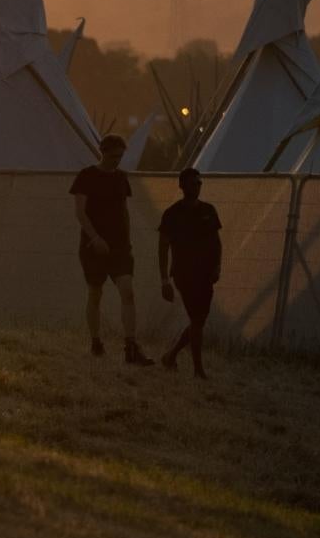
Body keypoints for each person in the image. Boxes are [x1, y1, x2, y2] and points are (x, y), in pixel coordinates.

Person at [70, 132, 148, 365]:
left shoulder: (121, 178)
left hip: (120, 247)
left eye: (120, 156)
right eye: (114, 156)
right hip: (94, 246)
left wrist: (126, 240)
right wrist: (95, 238)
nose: (117, 160)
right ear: (103, 152)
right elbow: (80, 212)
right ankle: (96, 341)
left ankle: (131, 345)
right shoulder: (86, 176)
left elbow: (123, 210)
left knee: (128, 291)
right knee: (95, 292)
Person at [157, 166, 224, 380]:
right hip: (184, 274)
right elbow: (162, 247)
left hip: (205, 274)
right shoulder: (172, 214)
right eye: (194, 183)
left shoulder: (208, 210)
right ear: (182, 185)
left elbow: (216, 242)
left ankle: (171, 356)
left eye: (199, 183)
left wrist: (217, 266)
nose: (197, 186)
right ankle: (198, 369)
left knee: (198, 321)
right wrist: (164, 280)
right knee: (197, 319)